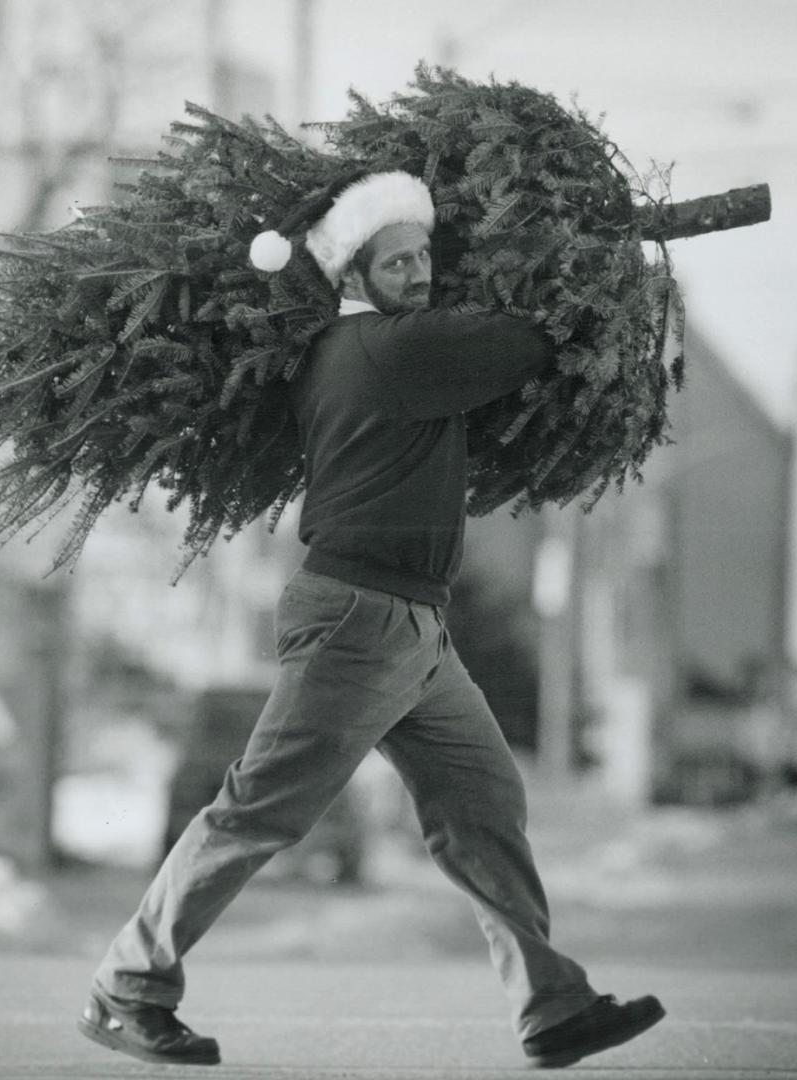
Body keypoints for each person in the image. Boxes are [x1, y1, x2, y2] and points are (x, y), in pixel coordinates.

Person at [78, 171, 665, 1070]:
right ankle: (129, 982)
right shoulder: (389, 350)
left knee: (483, 802)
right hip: (358, 617)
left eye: (426, 253)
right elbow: (527, 342)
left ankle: (551, 1005)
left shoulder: (374, 348)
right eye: (399, 261)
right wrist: (579, 262)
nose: (421, 272)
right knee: (261, 809)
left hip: (417, 629)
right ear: (354, 273)